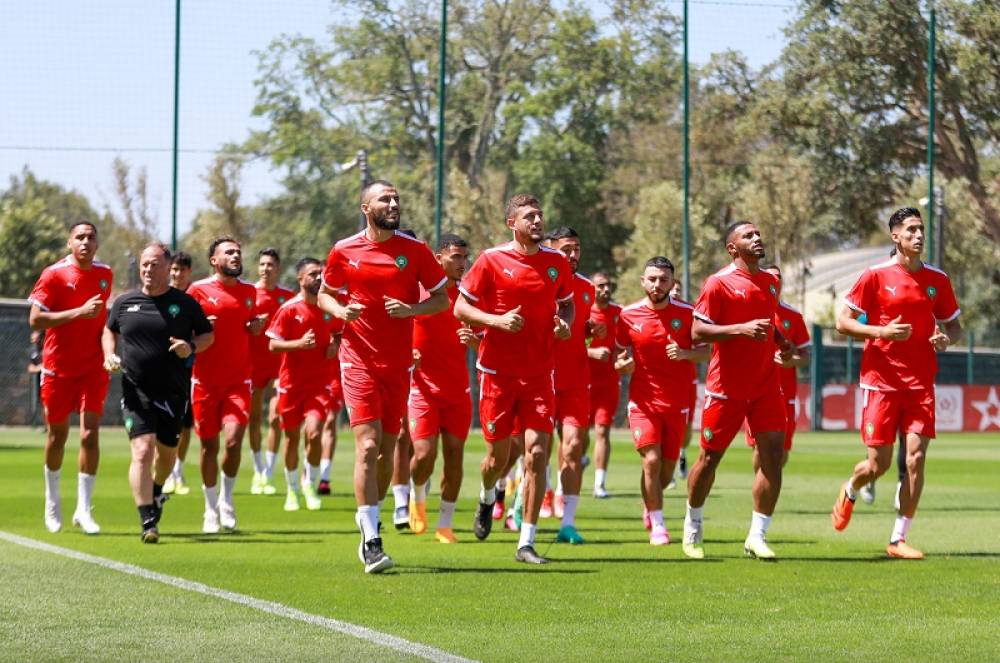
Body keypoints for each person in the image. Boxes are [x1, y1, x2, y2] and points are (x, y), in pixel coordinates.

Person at [319, 180, 448, 574]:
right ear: (365, 207)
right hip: (357, 359)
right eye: (385, 199)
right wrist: (339, 313)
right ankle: (372, 540)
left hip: (398, 365)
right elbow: (326, 293)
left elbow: (442, 298)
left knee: (389, 453)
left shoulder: (416, 252)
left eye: (396, 199)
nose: (393, 204)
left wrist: (410, 310)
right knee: (368, 445)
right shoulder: (345, 250)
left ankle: (371, 518)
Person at [831, 207, 961, 559]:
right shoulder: (875, 276)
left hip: (921, 384)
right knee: (879, 465)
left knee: (915, 459)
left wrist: (946, 340)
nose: (919, 236)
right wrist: (881, 331)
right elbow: (842, 322)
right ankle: (851, 487)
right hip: (881, 383)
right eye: (911, 230)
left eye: (921, 229)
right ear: (895, 237)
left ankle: (898, 539)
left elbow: (955, 327)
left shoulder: (938, 279)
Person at [454, 193, 574, 565]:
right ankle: (488, 495)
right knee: (498, 457)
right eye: (529, 217)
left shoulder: (556, 262)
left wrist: (564, 323)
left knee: (537, 453)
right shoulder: (491, 260)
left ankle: (526, 541)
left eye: (540, 216)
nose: (537, 222)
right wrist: (496, 322)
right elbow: (461, 307)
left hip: (540, 374)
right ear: (512, 224)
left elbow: (567, 302)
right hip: (497, 374)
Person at [685, 220, 790, 560]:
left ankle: (757, 536)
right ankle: (693, 526)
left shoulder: (771, 282)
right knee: (709, 458)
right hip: (725, 388)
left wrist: (783, 341)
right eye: (748, 235)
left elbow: (768, 320)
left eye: (759, 233)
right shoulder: (718, 284)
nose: (758, 238)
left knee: (774, 458)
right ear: (733, 248)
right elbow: (697, 332)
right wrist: (741, 329)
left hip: (766, 386)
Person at [102, 243, 213, 542]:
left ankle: (157, 489)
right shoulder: (125, 302)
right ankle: (147, 519)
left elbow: (207, 335)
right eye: (144, 264)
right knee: (142, 450)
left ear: (167, 267)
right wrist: (110, 354)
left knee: (166, 456)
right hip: (135, 390)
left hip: (173, 394)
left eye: (154, 264)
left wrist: (190, 347)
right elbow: (109, 330)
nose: (148, 269)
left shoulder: (185, 304)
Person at [615, 257, 709, 545]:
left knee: (666, 473)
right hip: (643, 402)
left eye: (663, 279)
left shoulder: (688, 313)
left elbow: (706, 350)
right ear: (643, 281)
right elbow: (620, 354)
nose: (657, 285)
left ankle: (649, 503)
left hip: (677, 403)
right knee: (651, 462)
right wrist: (622, 365)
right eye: (652, 279)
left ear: (672, 282)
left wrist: (684, 354)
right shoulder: (627, 315)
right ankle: (658, 525)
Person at [28, 221, 113, 535]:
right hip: (57, 370)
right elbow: (35, 320)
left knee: (90, 436)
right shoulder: (54, 274)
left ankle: (84, 510)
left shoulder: (105, 275)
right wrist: (78, 312)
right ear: (69, 242)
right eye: (80, 237)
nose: (86, 242)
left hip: (92, 369)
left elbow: (103, 323)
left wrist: (108, 353)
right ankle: (52, 504)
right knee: (57, 437)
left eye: (91, 237)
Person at [187, 236, 266, 533]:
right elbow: (184, 333)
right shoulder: (197, 291)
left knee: (233, 442)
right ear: (214, 260)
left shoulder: (249, 292)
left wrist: (255, 327)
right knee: (209, 445)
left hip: (238, 380)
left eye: (237, 251)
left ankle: (226, 499)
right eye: (228, 252)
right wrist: (198, 329)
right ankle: (209, 508)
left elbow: (250, 325)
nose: (235, 256)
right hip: (205, 381)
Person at [407, 233, 476, 543]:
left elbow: (487, 336)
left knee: (454, 455)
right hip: (422, 388)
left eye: (464, 257)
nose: (461, 263)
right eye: (455, 257)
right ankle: (417, 495)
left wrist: (476, 341)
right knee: (424, 455)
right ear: (438, 259)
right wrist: (407, 352)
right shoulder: (419, 294)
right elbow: (397, 327)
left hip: (458, 389)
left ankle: (445, 524)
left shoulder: (467, 297)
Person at [266, 258, 341, 512]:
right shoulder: (289, 309)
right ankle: (292, 489)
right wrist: (298, 344)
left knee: (315, 432)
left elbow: (340, 332)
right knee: (291, 439)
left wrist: (335, 345)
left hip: (319, 385)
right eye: (312, 274)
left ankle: (309, 484)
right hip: (291, 385)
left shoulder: (329, 307)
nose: (318, 278)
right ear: (300, 279)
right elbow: (273, 345)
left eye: (320, 273)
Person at [543, 227, 595, 544]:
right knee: (535, 450)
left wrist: (588, 331)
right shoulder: (538, 284)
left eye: (576, 248)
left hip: (575, 381)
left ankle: (568, 523)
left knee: (573, 447)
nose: (572, 255)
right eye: (565, 249)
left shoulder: (587, 289)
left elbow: (583, 330)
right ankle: (530, 500)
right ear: (551, 251)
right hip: (539, 378)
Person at [745, 264, 811, 469]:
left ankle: (768, 488)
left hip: (785, 395)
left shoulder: (793, 316)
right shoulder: (748, 311)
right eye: (771, 277)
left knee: (782, 452)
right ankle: (761, 489)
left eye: (778, 278)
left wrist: (793, 361)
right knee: (760, 447)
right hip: (756, 392)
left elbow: (806, 356)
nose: (775, 281)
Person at [249, 248, 296, 496]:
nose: (266, 268)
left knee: (275, 418)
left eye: (271, 265)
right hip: (253, 366)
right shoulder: (250, 294)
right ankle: (258, 471)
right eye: (263, 264)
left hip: (279, 366)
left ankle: (268, 471)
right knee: (254, 418)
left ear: (278, 268)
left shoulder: (288, 297)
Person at [163, 251, 195, 495]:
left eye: (181, 270)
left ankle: (178, 471)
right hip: (162, 371)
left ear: (189, 273)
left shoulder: (196, 299)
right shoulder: (159, 295)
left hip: (190, 372)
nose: (177, 274)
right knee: (163, 423)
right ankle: (164, 471)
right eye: (174, 270)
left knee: (185, 425)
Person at [588, 272, 621, 498]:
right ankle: (577, 461)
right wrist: (591, 352)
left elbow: (625, 346)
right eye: (601, 285)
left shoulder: (620, 314)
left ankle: (599, 483)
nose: (606, 289)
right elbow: (567, 348)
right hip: (581, 383)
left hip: (608, 384)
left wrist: (623, 358)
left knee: (602, 431)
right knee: (577, 438)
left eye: (608, 285)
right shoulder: (582, 313)